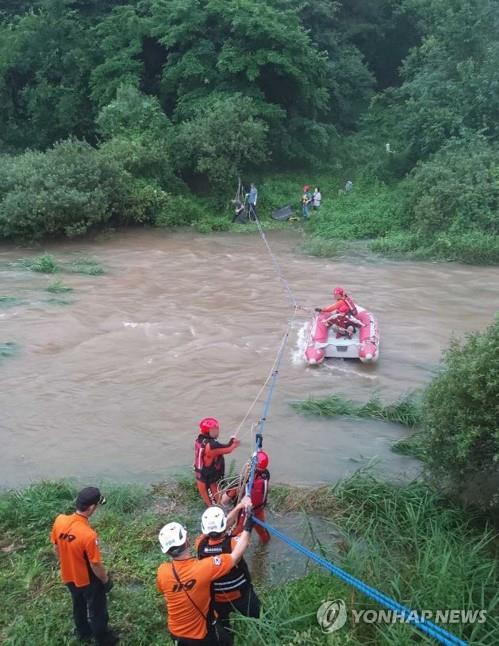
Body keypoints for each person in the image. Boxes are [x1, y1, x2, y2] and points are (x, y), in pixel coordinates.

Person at [156, 508, 254, 646]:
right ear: (187, 542)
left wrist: (238, 508)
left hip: (176, 633)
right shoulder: (204, 568)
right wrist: (248, 526)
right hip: (201, 634)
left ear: (165, 550)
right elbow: (235, 555)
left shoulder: (162, 571)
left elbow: (165, 593)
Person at [50, 487, 118, 645]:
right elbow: (95, 564)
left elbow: (55, 548)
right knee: (97, 611)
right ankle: (103, 639)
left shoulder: (60, 520)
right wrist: (105, 580)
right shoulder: (88, 535)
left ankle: (83, 633)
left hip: (68, 575)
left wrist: (67, 563)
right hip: (88, 581)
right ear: (92, 508)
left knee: (78, 605)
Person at [195, 500, 260, 631]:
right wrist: (248, 522)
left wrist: (239, 507)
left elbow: (222, 527)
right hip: (242, 596)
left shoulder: (199, 544)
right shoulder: (234, 544)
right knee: (260, 619)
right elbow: (245, 540)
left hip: (217, 600)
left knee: (224, 629)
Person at [222, 450, 271, 544]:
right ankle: (262, 551)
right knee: (264, 536)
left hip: (244, 515)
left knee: (232, 539)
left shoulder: (241, 482)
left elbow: (224, 500)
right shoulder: (266, 477)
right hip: (259, 511)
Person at [195, 417, 241, 506]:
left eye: (217, 429)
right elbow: (228, 449)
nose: (217, 432)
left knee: (217, 498)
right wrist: (234, 444)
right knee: (212, 505)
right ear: (207, 431)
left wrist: (230, 442)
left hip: (206, 474)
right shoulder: (211, 446)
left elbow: (221, 447)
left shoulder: (200, 440)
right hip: (205, 479)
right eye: (214, 430)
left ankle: (221, 503)